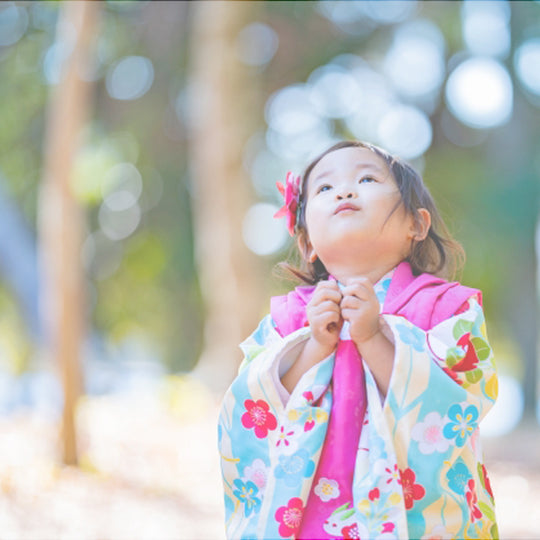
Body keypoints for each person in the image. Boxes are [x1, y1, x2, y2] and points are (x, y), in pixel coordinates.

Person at [218, 141, 498, 540]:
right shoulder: (289, 319)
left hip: (415, 514)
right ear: (308, 244)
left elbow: (459, 402)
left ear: (415, 225)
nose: (345, 192)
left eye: (366, 178)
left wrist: (373, 337)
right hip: (312, 513)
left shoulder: (443, 308)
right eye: (325, 188)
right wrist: (314, 346)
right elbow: (252, 405)